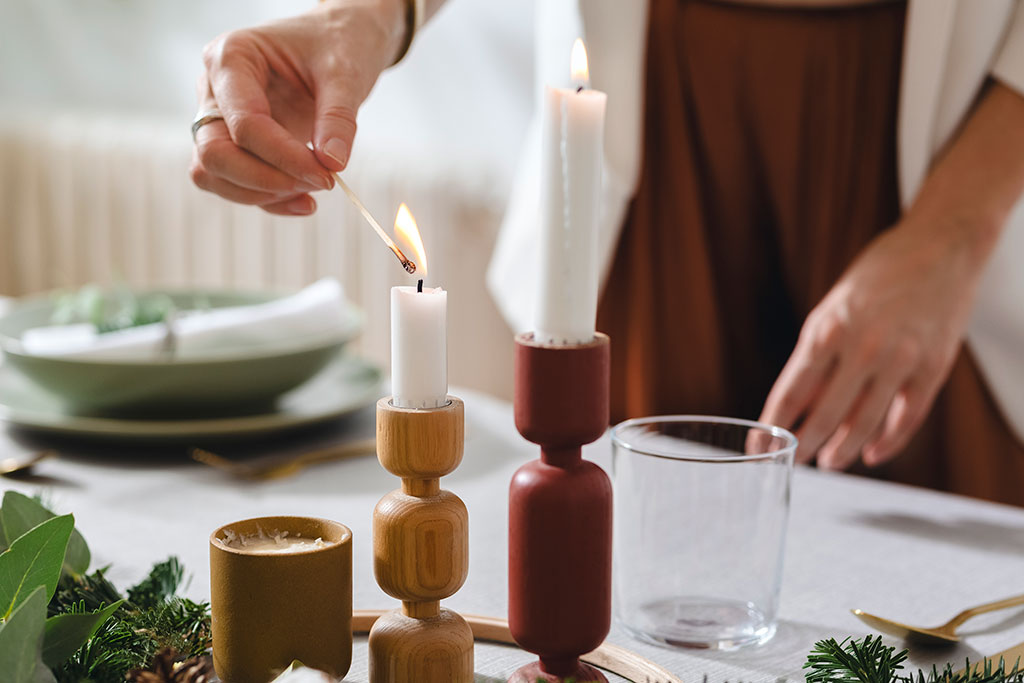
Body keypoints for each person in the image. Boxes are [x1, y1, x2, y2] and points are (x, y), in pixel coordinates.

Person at [190, 0, 1024, 505]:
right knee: (634, 544)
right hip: (660, 116)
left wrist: (955, 230)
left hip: (950, 133)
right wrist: (368, 16)